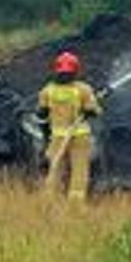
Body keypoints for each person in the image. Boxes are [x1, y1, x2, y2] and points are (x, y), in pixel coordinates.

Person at [38, 51, 101, 202]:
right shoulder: (83, 89)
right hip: (79, 136)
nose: (65, 76)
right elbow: (95, 111)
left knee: (55, 169)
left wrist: (46, 138)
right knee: (79, 171)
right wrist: (89, 111)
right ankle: (74, 202)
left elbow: (41, 114)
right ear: (76, 71)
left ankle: (54, 200)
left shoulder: (47, 91)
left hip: (59, 137)